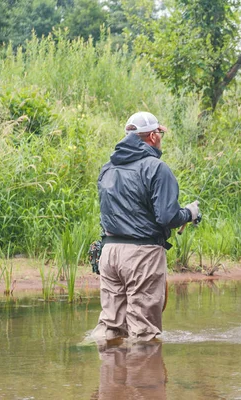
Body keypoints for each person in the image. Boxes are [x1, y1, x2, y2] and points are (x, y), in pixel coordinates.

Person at [92, 111, 199, 342]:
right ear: (152, 136)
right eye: (160, 133)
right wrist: (190, 213)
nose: (161, 137)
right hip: (142, 256)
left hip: (109, 254)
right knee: (144, 331)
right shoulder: (156, 168)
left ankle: (111, 377)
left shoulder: (107, 168)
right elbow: (167, 217)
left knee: (110, 328)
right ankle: (144, 378)